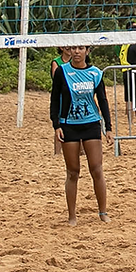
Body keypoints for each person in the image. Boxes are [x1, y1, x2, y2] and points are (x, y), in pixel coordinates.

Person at [50, 45, 113, 226]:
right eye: (73, 48)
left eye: (80, 48)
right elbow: (54, 100)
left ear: (87, 51)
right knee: (73, 172)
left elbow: (102, 100)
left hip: (91, 124)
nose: (76, 52)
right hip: (69, 125)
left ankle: (103, 211)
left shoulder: (95, 73)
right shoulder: (62, 71)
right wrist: (56, 125)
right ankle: (72, 216)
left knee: (96, 168)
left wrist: (108, 128)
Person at [51, 47, 72, 156]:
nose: (69, 48)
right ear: (61, 48)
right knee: (59, 123)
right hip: (61, 96)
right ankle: (57, 152)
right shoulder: (56, 62)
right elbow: (56, 80)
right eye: (66, 46)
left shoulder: (75, 60)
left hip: (73, 94)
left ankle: (82, 150)